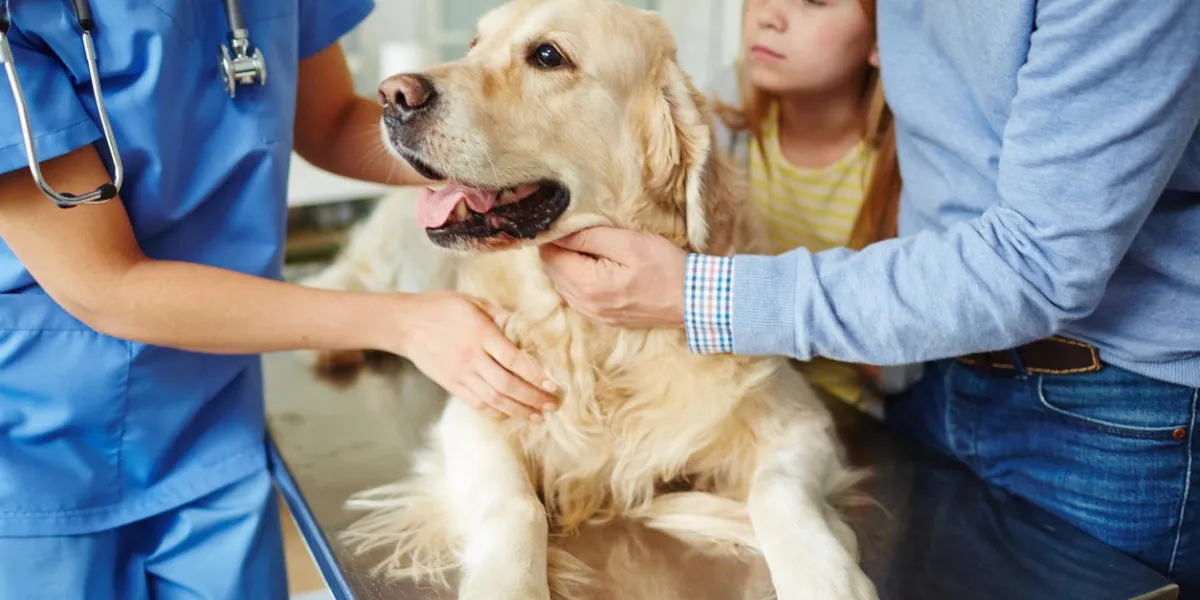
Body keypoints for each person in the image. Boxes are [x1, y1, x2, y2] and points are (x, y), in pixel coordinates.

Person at [540, 0, 1200, 594]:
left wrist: (692, 294)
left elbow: (1039, 259)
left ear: (873, 43)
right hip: (937, 387)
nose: (770, 15)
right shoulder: (730, 119)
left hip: (1109, 409)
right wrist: (435, 311)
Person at [0, 1, 555, 598]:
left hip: (212, 427)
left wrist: (514, 158)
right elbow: (106, 285)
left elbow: (334, 120)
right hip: (38, 450)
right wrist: (403, 324)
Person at [707, 0, 908, 415]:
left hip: (845, 417)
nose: (768, 16)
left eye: (814, 1)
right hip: (726, 397)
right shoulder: (724, 114)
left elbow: (898, 358)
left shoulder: (904, 160)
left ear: (881, 38)